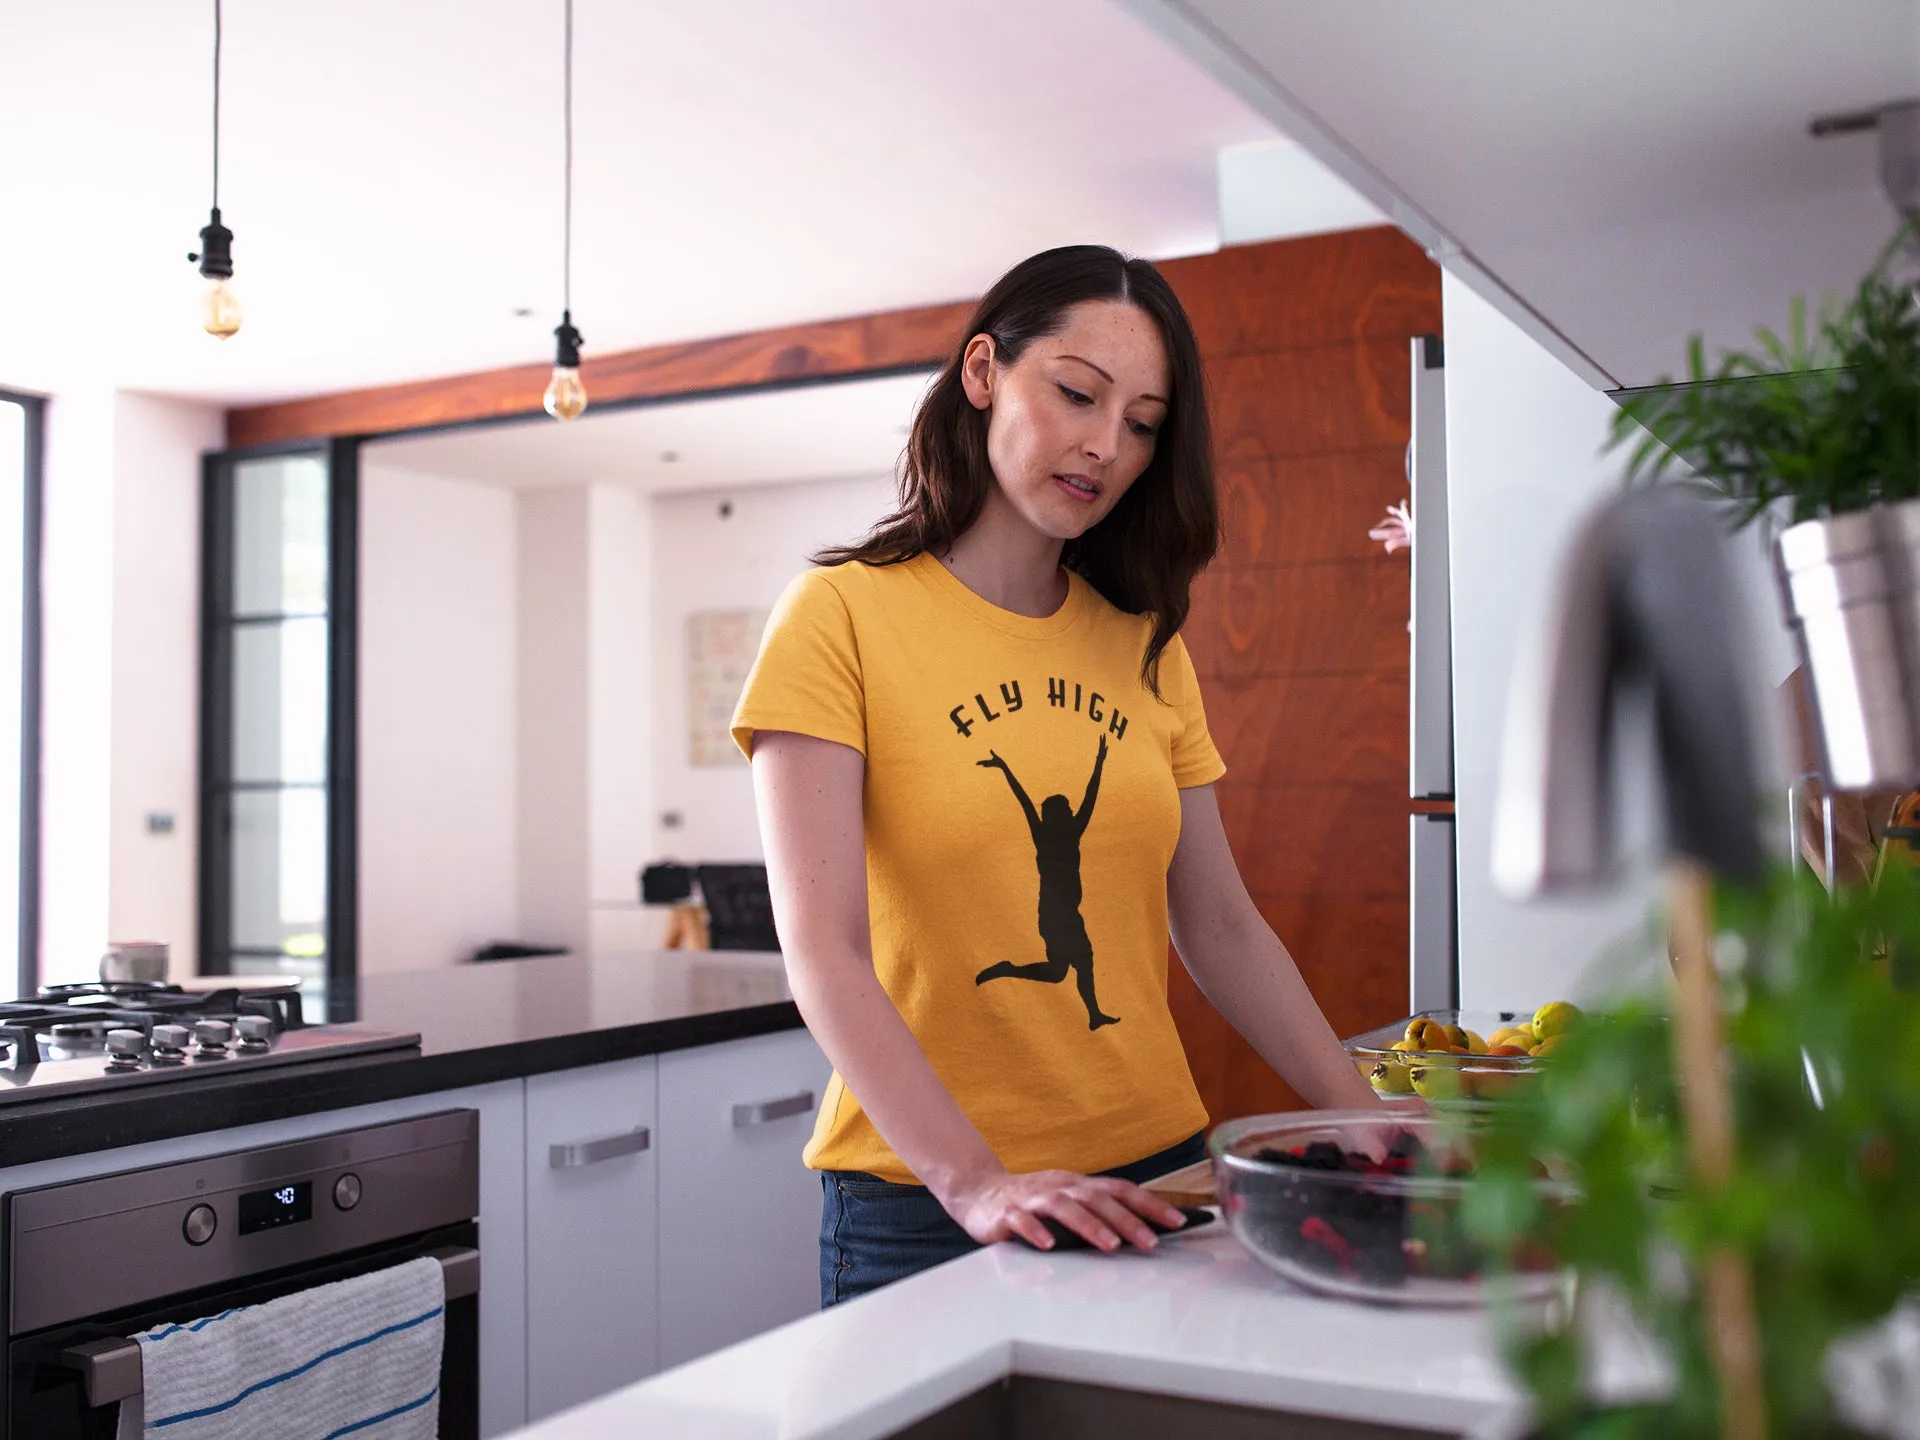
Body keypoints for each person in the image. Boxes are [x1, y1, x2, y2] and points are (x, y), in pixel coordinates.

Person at [731, 244, 1384, 1308]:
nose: (1104, 447)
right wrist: (975, 1181)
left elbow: (1217, 923)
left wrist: (1363, 1111)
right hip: (929, 1205)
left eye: (1141, 423)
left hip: (1162, 1177)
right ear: (984, 372)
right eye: (1077, 393)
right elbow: (823, 949)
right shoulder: (839, 615)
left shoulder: (1143, 641)